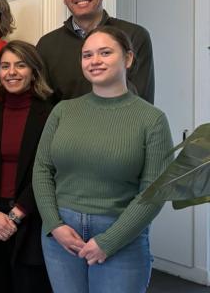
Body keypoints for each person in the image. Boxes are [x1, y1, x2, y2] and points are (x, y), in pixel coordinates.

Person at [33, 27, 173, 293]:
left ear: (128, 59)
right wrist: (55, 224)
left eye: (105, 53)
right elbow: (42, 170)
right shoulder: (63, 111)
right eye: (87, 55)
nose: (94, 61)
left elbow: (154, 192)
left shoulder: (151, 119)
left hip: (122, 236)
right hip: (62, 236)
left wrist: (109, 241)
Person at [0, 41, 53, 293]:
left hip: (32, 218)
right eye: (5, 66)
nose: (12, 72)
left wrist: (16, 214)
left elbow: (49, 170)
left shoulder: (51, 115)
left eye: (20, 65)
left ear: (34, 71)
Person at [36, 0, 155, 104]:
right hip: (68, 126)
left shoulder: (135, 35)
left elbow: (142, 100)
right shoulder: (47, 45)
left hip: (120, 125)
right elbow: (44, 103)